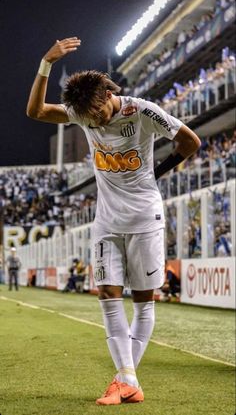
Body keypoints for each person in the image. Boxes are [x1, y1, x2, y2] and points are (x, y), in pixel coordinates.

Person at [26, 37, 201, 405]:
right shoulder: (83, 112)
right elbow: (36, 113)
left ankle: (125, 380)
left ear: (108, 96)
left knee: (143, 302)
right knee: (107, 295)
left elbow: (191, 142)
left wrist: (159, 172)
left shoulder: (142, 111)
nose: (95, 124)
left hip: (144, 217)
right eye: (88, 121)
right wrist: (46, 63)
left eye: (98, 116)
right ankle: (127, 380)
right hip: (106, 220)